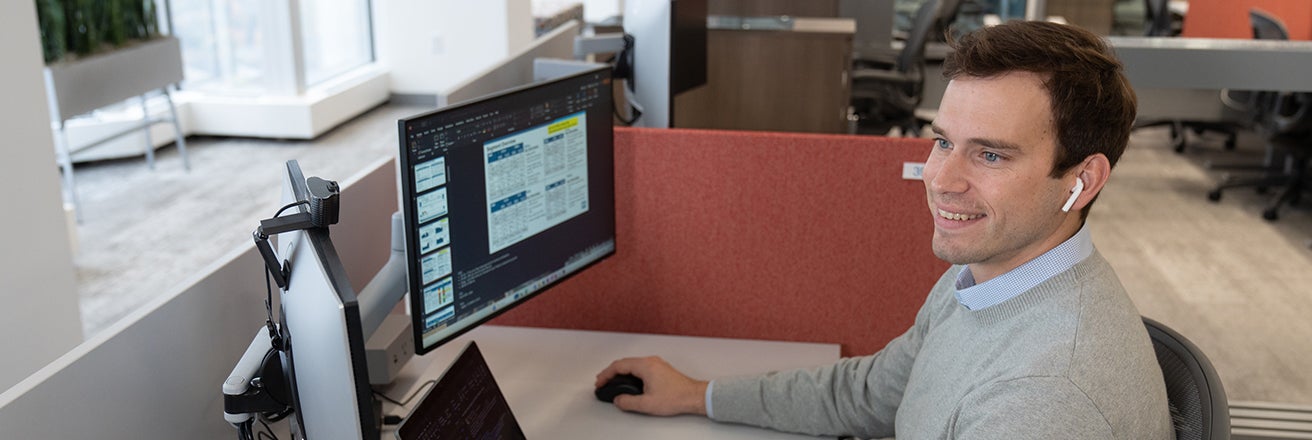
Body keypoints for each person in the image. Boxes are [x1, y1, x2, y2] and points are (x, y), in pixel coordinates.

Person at [595, 20, 1174, 439]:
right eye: (944, 141)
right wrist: (699, 395)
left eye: (991, 156)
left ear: (1082, 180)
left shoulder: (1043, 399)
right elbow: (872, 394)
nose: (941, 178)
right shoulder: (987, 276)